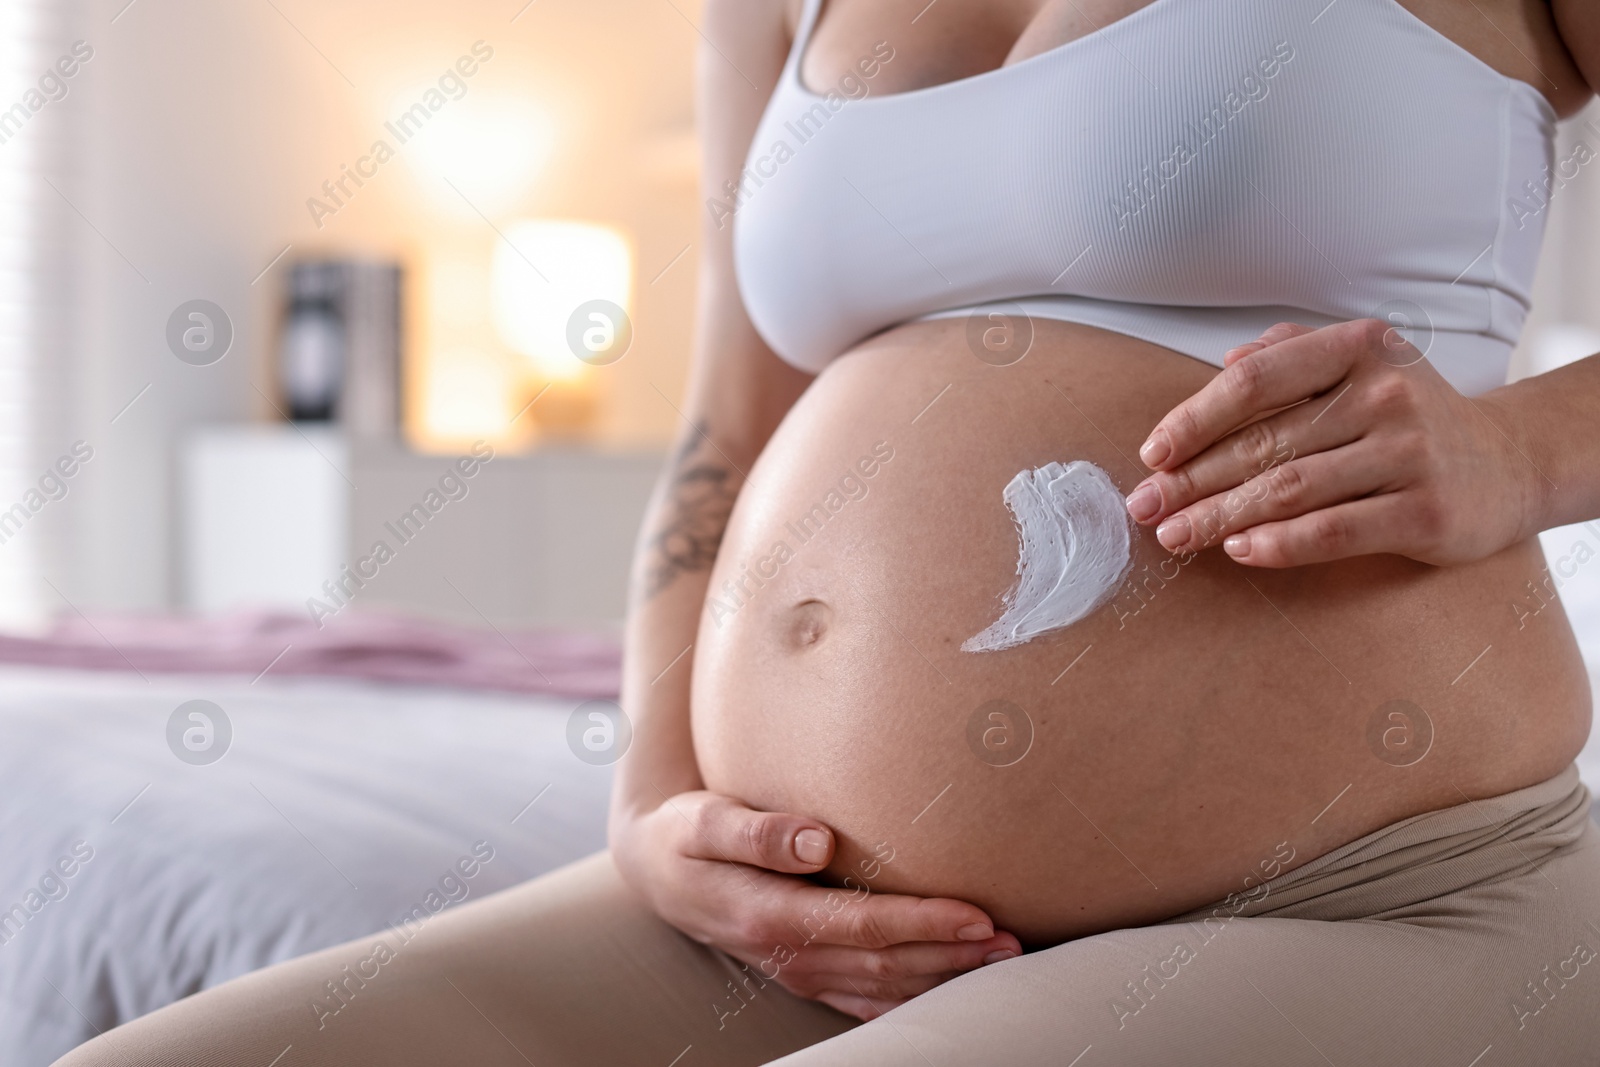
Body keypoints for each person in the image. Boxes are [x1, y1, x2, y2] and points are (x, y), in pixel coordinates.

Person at [59, 0, 1600, 1063]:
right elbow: (723, 434)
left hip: (1380, 893)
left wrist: (1518, 449)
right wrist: (657, 814)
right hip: (810, 930)